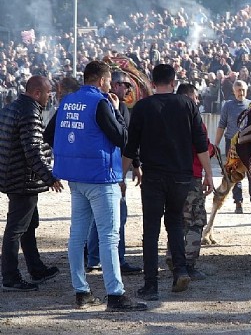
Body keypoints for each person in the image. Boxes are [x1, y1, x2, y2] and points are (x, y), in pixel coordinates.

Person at [51, 61, 147, 311]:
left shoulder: (67, 102)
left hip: (76, 178)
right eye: (107, 81)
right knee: (109, 236)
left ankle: (81, 292)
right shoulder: (101, 102)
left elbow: (51, 135)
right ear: (101, 80)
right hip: (101, 178)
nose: (109, 85)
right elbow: (122, 138)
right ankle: (115, 294)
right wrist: (116, 111)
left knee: (77, 235)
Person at [122, 63, 214, 301]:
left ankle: (151, 285)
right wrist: (209, 174)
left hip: (153, 177)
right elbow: (201, 143)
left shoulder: (142, 107)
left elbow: (130, 147)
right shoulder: (187, 105)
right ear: (173, 83)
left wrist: (120, 176)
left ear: (152, 83)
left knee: (150, 230)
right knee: (174, 223)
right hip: (182, 177)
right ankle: (180, 271)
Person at [0, 76, 62, 292]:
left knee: (28, 225)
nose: (49, 97)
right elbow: (33, 149)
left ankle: (36, 268)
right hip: (22, 180)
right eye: (47, 93)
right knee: (16, 229)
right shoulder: (29, 112)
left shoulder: (11, 108)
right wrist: (50, 177)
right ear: (37, 93)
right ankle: (10, 277)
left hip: (12, 175)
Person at [83, 70, 142, 275]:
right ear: (114, 85)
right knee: (118, 216)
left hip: (99, 169)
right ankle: (116, 260)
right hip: (110, 170)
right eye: (124, 85)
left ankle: (93, 259)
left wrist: (135, 164)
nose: (127, 89)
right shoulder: (112, 106)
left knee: (94, 217)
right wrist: (126, 170)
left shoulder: (97, 103)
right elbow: (124, 138)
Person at [166, 83, 215, 280]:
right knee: (195, 221)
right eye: (195, 97)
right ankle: (188, 263)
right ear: (188, 97)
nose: (197, 101)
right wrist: (211, 154)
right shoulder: (193, 118)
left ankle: (172, 255)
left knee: (176, 219)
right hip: (191, 176)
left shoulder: (165, 116)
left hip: (168, 177)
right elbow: (202, 147)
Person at [214, 79, 251, 214]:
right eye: (239, 90)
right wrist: (216, 144)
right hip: (232, 143)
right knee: (234, 173)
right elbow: (222, 125)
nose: (241, 93)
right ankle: (238, 202)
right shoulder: (228, 106)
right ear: (234, 91)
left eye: (243, 90)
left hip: (249, 142)